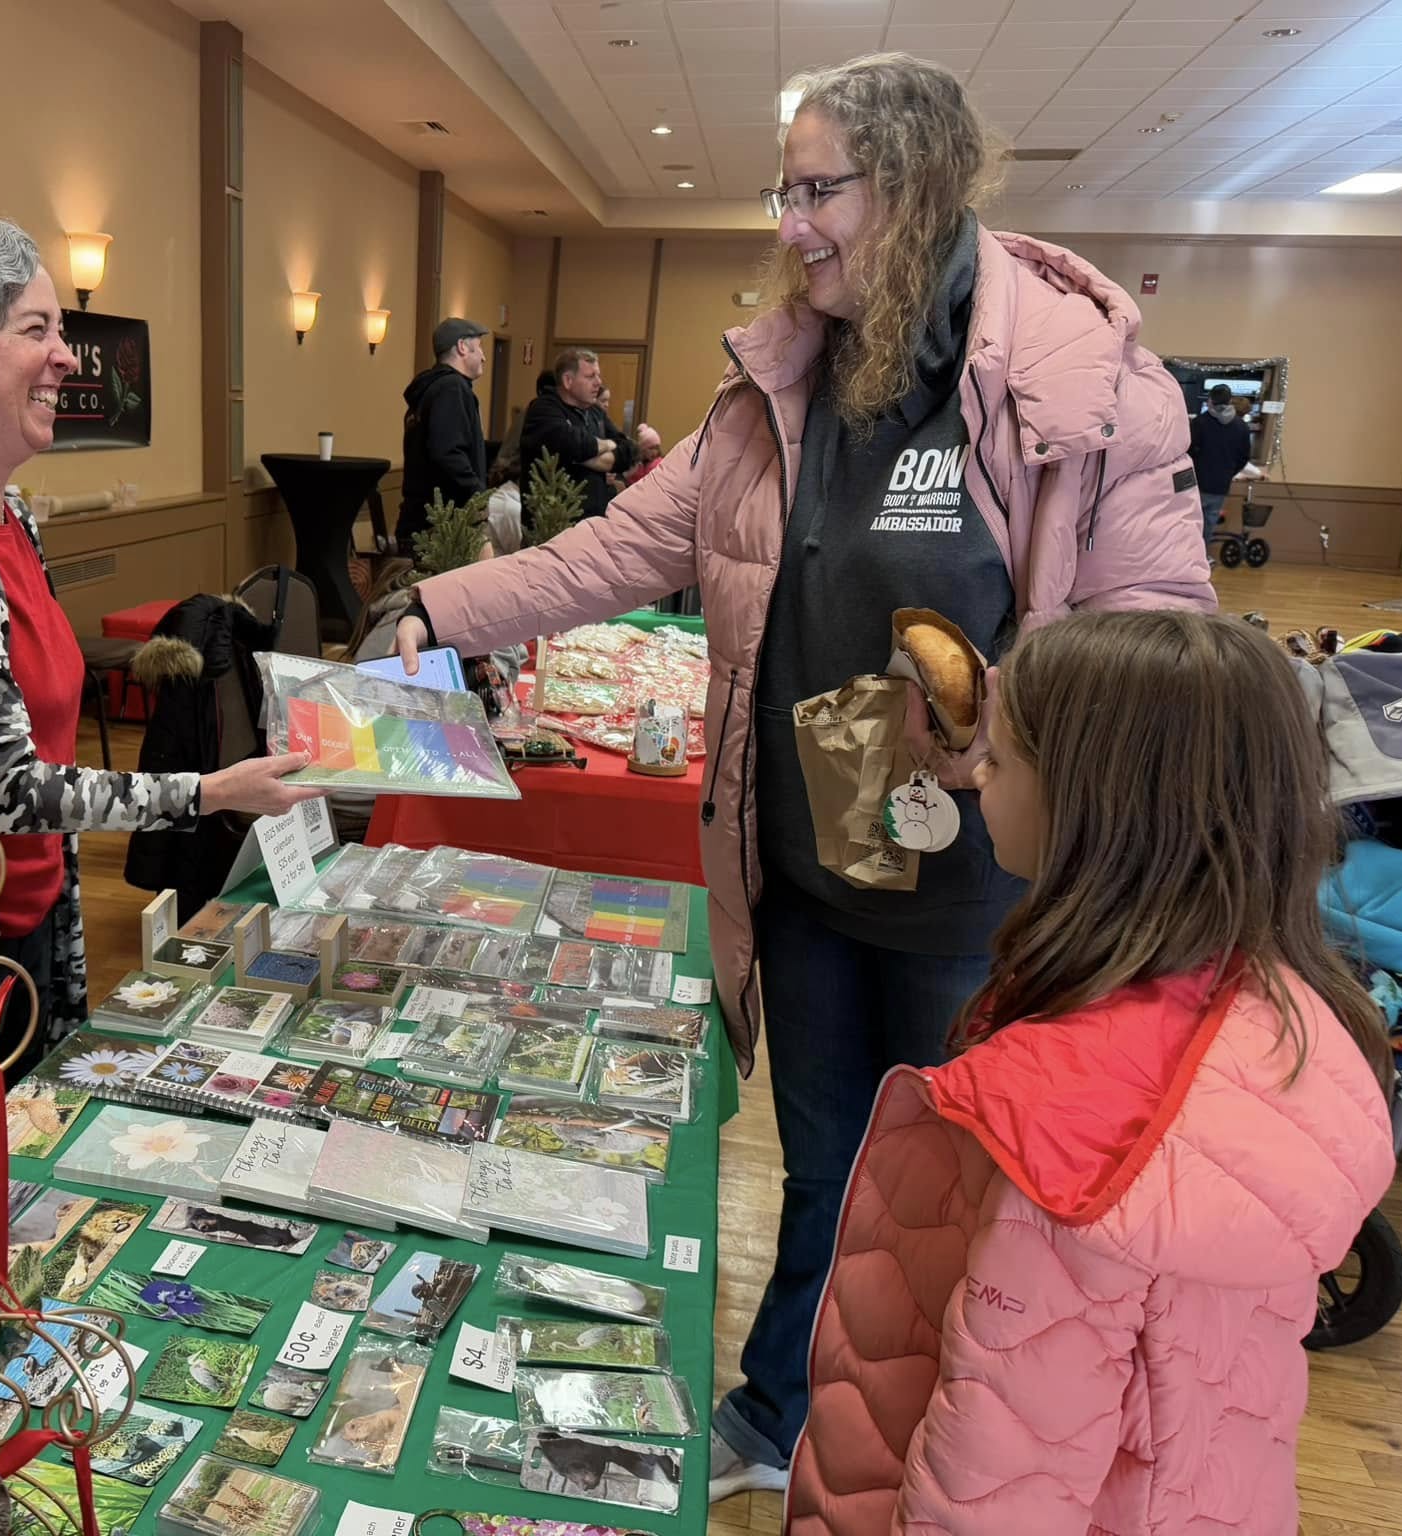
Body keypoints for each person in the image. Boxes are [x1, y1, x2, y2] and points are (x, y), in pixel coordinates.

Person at [392, 53, 1214, 1498]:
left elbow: (1165, 639)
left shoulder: (1081, 384)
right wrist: (437, 609)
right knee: (826, 1165)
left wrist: (1015, 714)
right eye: (784, 190)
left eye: (817, 189)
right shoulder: (781, 380)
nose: (789, 224)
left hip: (986, 896)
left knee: (970, 1203)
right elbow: (619, 549)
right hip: (805, 878)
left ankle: (936, 1458)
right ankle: (782, 1411)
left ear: (913, 185)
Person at [784, 610, 1395, 1534]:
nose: (976, 774)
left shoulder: (1072, 1129)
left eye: (1004, 759)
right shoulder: (1285, 1018)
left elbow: (997, 1475)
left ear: (1098, 805)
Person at [0, 213, 320, 1170]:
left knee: (23, 1174)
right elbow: (8, 788)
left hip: (18, 919)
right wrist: (209, 791)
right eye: (35, 329)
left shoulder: (6, 518)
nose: (67, 357)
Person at [398, 316, 489, 549]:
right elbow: (447, 453)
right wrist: (478, 495)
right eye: (479, 347)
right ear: (462, 347)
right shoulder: (451, 388)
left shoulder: (431, 389)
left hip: (422, 521)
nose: (484, 356)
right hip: (443, 528)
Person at [520, 349, 643, 519]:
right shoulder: (543, 409)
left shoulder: (595, 412)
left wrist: (583, 457)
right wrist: (607, 444)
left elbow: (629, 450)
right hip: (552, 521)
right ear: (568, 381)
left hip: (594, 518)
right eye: (590, 376)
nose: (598, 382)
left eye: (598, 376)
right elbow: (572, 444)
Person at [1189, 382, 1253, 544]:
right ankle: (1202, 555)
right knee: (1209, 524)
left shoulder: (1199, 423)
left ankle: (1186, 557)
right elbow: (1243, 457)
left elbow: (1187, 452)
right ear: (1230, 401)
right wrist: (1228, 472)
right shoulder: (1241, 427)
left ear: (1210, 400)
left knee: (1190, 523)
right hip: (1220, 485)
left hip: (1196, 482)